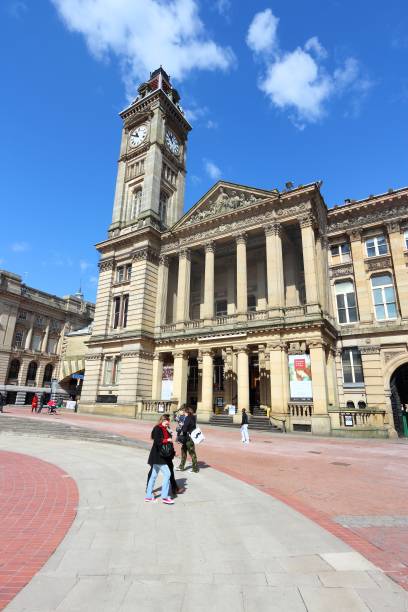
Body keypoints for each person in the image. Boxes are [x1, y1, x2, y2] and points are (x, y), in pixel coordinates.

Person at [146, 415, 184, 497]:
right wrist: (166, 440)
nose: (168, 425)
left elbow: (169, 443)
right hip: (158, 454)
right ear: (162, 421)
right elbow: (156, 440)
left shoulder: (167, 429)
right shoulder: (157, 428)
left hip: (166, 454)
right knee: (153, 473)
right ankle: (149, 489)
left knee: (170, 471)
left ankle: (174, 488)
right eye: (166, 423)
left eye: (168, 423)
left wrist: (173, 453)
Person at [177, 407, 199, 473]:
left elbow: (185, 429)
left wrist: (180, 427)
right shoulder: (193, 417)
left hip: (188, 438)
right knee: (188, 452)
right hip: (189, 437)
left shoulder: (188, 418)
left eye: (185, 412)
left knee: (189, 452)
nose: (184, 413)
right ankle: (182, 466)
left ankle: (195, 469)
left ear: (187, 412)